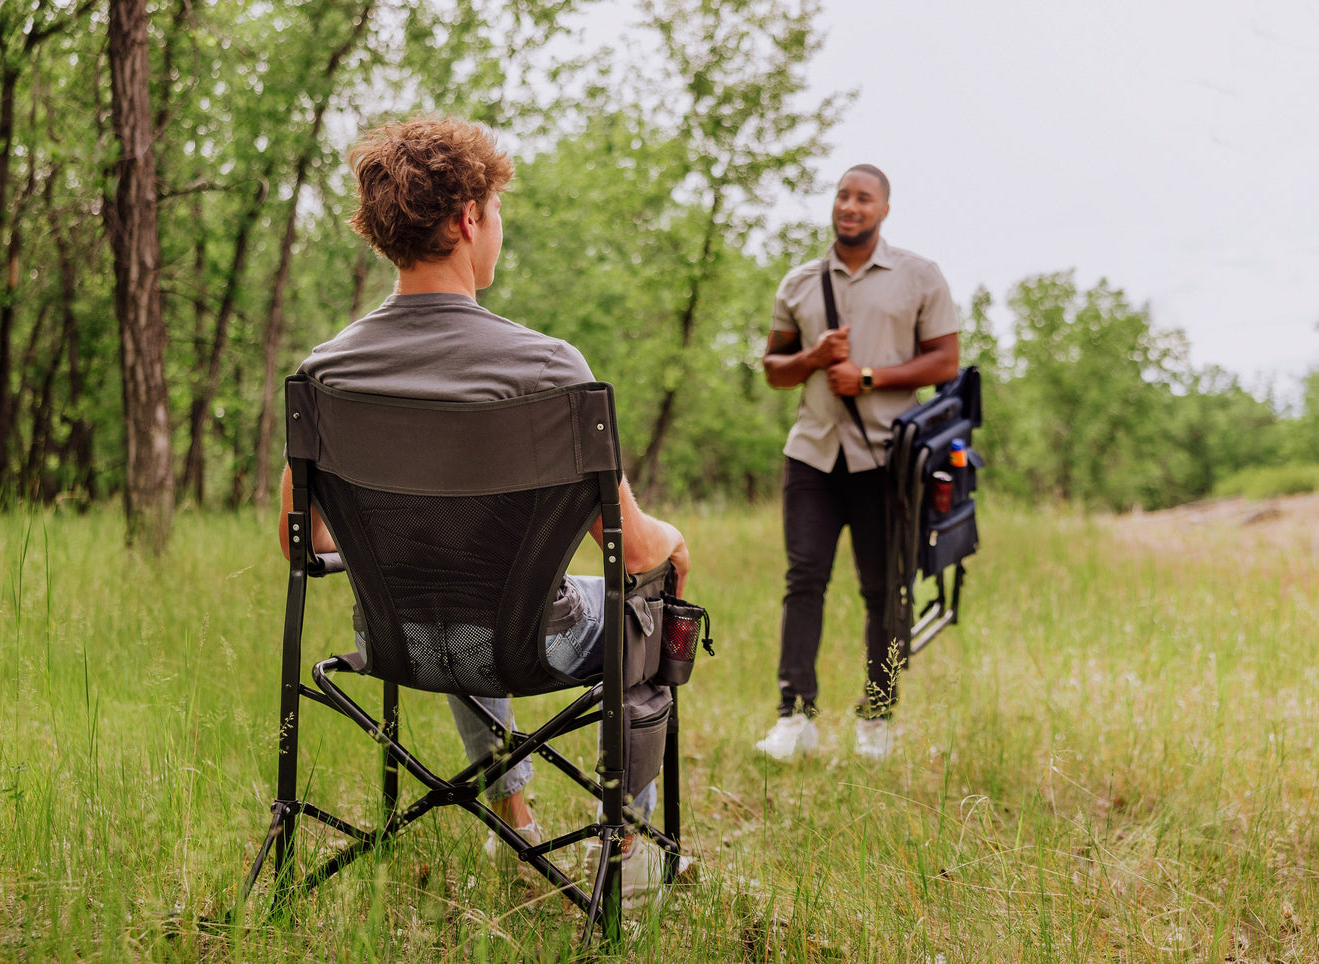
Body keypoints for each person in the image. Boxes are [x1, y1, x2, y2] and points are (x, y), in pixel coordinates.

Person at [276, 115, 690, 905]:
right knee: (649, 586)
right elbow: (633, 554)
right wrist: (671, 538)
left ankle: (516, 819)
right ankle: (630, 853)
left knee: (455, 577)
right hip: (530, 642)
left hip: (393, 639)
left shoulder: (324, 374)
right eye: (495, 215)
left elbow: (306, 545)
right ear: (469, 219)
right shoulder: (547, 367)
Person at [755, 164, 959, 762]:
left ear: (884, 209)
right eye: (843, 195)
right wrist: (815, 357)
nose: (850, 205)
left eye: (863, 198)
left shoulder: (919, 276)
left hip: (887, 462)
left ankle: (878, 716)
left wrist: (871, 376)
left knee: (885, 590)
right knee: (804, 581)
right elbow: (773, 369)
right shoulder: (799, 283)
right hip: (812, 457)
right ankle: (795, 718)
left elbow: (945, 361)